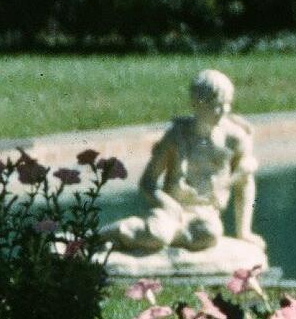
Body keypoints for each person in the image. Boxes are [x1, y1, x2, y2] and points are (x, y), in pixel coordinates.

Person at [103, 68, 259, 256]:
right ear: (198, 104)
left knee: (208, 234)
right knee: (159, 234)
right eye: (217, 105)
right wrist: (168, 204)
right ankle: (99, 237)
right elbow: (147, 183)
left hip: (204, 215)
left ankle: (151, 237)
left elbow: (245, 180)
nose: (224, 111)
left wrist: (244, 232)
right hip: (171, 210)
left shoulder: (234, 138)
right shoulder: (176, 137)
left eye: (227, 104)